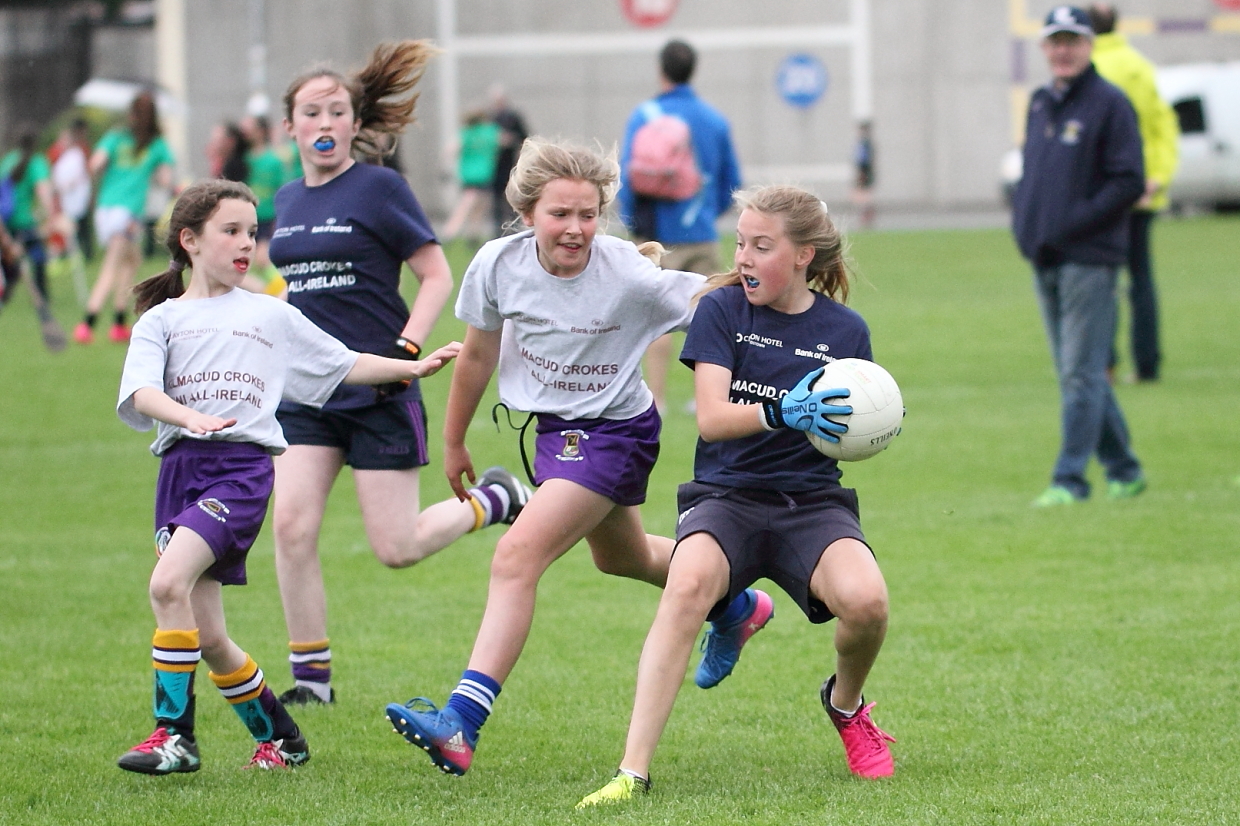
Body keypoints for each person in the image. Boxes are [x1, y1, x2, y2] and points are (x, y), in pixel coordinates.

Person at [383, 138, 757, 777]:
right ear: (527, 212)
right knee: (624, 559)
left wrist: (780, 271)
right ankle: (736, 605)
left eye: (588, 214)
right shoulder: (498, 266)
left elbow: (719, 298)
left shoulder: (627, 273)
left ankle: (460, 722)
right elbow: (475, 355)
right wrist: (451, 439)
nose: (576, 229)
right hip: (554, 435)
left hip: (616, 435)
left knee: (516, 555)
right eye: (560, 214)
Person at [113, 178, 461, 775]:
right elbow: (141, 391)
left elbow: (342, 361)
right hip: (179, 473)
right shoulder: (161, 321)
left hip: (239, 475)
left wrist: (412, 365)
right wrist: (188, 415)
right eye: (231, 231)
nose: (247, 243)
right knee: (208, 632)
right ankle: (283, 738)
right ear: (190, 240)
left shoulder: (272, 314)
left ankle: (174, 736)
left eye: (253, 231)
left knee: (167, 586)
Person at [576, 185, 894, 807]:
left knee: (869, 604)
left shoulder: (846, 330)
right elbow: (713, 419)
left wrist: (865, 424)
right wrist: (787, 411)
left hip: (812, 503)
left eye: (762, 246)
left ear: (803, 255)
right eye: (741, 242)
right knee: (687, 584)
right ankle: (631, 772)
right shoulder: (723, 309)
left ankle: (846, 707)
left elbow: (856, 424)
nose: (743, 257)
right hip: (726, 496)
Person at [269, 41, 530, 707]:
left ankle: (494, 501)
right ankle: (311, 681)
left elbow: (437, 271)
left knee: (398, 547)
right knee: (292, 528)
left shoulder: (380, 188)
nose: (324, 124)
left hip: (379, 385)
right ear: (290, 126)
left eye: (337, 112)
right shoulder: (287, 199)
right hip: (308, 391)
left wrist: (408, 349)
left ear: (356, 125)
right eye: (311, 113)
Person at [1012, 6, 1146, 507]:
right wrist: (1025, 226)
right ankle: (1125, 468)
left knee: (1080, 372)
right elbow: (1032, 174)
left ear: (1089, 44)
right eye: (1054, 41)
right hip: (1044, 255)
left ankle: (1070, 478)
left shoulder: (1110, 104)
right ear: (1045, 48)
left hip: (1089, 257)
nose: (1063, 50)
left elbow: (1128, 179)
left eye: (1072, 40)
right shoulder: (1043, 101)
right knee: (1077, 368)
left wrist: (1071, 225)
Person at [619, 38, 742, 413]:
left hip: (654, 232)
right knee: (710, 314)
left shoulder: (645, 115)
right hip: (700, 231)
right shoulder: (714, 120)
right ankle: (705, 395)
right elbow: (730, 183)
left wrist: (637, 225)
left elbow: (627, 179)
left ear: (661, 70)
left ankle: (655, 396)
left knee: (655, 315)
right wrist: (704, 212)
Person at [1088, 3, 1179, 383]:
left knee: (1100, 282)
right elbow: (1163, 125)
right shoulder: (1138, 65)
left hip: (1103, 197)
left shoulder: (1085, 68)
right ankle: (1148, 364)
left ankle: (1104, 364)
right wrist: (1155, 177)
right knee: (1141, 280)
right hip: (1141, 193)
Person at [74, 91, 175, 345]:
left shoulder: (115, 137)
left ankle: (119, 321)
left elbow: (95, 165)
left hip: (105, 210)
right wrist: (148, 174)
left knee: (132, 260)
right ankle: (88, 322)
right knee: (112, 266)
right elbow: (165, 180)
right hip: (127, 212)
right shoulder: (156, 144)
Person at [0, 127, 55, 302]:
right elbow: (43, 190)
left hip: (5, 220)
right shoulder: (37, 161)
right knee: (38, 256)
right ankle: (42, 297)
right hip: (25, 220)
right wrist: (50, 215)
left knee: (10, 256)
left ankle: (6, 293)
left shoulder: (8, 160)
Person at [240, 115, 292, 294]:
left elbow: (281, 187)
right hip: (247, 216)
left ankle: (283, 287)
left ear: (261, 131)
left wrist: (280, 216)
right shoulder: (245, 158)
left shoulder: (273, 159)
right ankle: (272, 289)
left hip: (267, 216)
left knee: (263, 258)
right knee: (251, 261)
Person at [441, 107, 500, 243]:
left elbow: (449, 149)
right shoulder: (490, 132)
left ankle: (470, 235)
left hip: (469, 175)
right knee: (475, 207)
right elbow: (503, 141)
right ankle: (451, 232)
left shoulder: (466, 133)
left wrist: (447, 165)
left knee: (469, 206)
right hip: (485, 174)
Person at [487, 84, 529, 234]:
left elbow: (524, 137)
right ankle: (497, 230)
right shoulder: (489, 118)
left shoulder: (512, 117)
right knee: (496, 199)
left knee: (512, 196)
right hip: (492, 166)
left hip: (509, 163)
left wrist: (510, 141)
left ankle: (514, 227)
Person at [852, 120, 876, 229]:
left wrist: (861, 174)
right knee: (863, 195)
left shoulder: (865, 144)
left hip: (864, 172)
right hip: (865, 171)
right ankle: (866, 216)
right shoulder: (866, 143)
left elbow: (864, 161)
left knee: (863, 195)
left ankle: (866, 216)